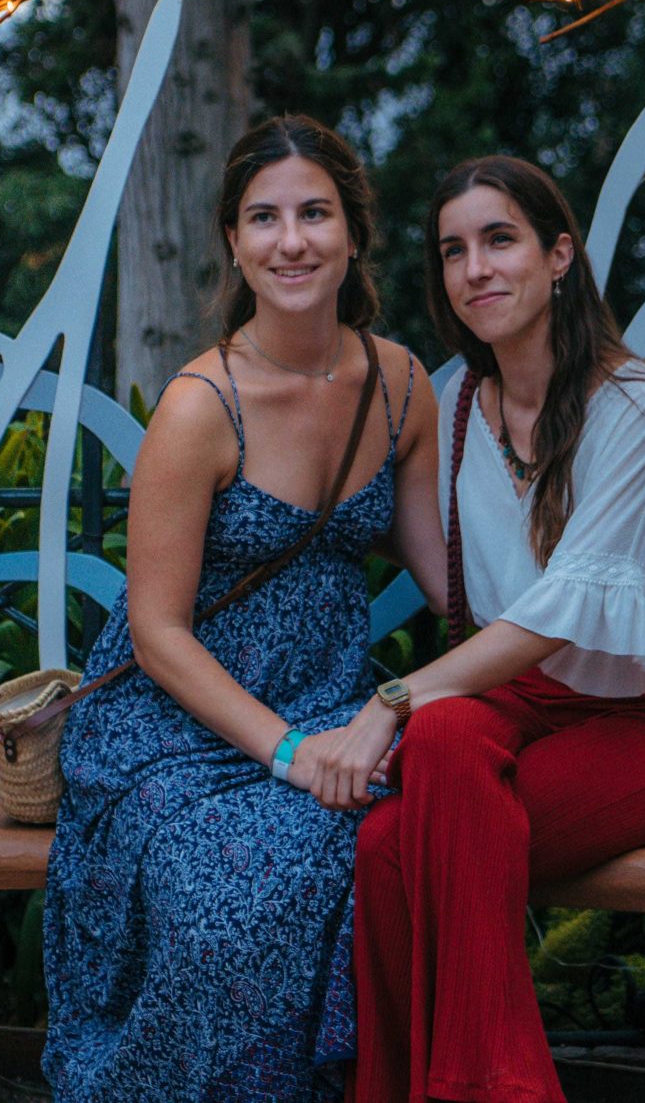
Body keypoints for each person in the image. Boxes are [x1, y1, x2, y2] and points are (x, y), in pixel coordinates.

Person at [43, 115, 446, 1103]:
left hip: (331, 704)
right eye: (264, 217)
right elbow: (157, 632)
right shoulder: (200, 404)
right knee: (229, 895)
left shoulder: (400, 384)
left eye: (315, 213)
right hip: (171, 726)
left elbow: (451, 580)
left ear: (353, 231)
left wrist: (570, 601)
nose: (291, 240)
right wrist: (290, 752)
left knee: (389, 839)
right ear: (233, 240)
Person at [335, 155, 645, 1103]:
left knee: (392, 852)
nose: (474, 269)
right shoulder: (459, 408)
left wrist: (392, 699)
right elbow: (450, 572)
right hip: (518, 707)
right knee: (437, 752)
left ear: (559, 255)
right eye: (453, 250)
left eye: (499, 239)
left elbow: (563, 608)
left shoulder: (635, 403)